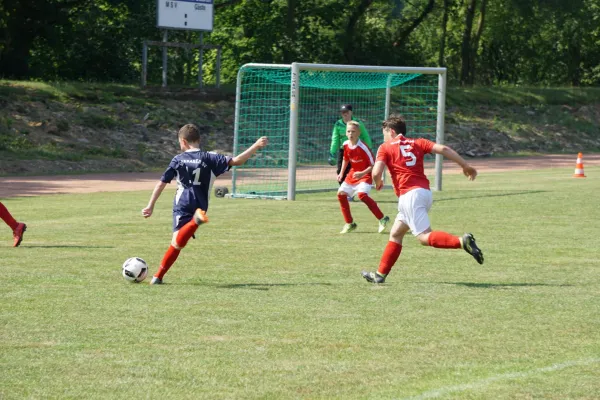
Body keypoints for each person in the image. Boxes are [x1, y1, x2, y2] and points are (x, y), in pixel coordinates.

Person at [362, 115, 484, 284]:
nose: (384, 137)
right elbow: (444, 149)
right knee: (396, 233)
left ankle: (462, 241)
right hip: (424, 193)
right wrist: (465, 165)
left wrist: (378, 182)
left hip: (409, 196)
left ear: (391, 131)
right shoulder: (418, 142)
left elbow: (376, 172)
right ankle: (379, 275)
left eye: (384, 133)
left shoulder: (385, 147)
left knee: (423, 237)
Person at [142, 124, 268, 284]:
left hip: (183, 204)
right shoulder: (210, 157)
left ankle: (159, 275)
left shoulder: (178, 159)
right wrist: (256, 145)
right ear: (199, 140)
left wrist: (150, 205)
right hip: (200, 205)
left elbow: (162, 183)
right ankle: (157, 277)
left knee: (176, 242)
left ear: (183, 141)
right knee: (179, 243)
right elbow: (237, 160)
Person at [337, 121, 389, 234]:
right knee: (341, 194)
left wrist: (361, 173)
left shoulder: (363, 147)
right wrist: (341, 173)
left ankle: (382, 218)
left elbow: (373, 165)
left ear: (359, 133)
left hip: (365, 175)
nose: (351, 134)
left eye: (353, 131)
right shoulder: (345, 144)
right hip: (352, 174)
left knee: (362, 195)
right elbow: (346, 159)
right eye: (348, 131)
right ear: (346, 133)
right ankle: (349, 223)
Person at [328, 104, 372, 186]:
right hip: (344, 150)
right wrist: (332, 153)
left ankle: (356, 188)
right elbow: (335, 139)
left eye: (347, 112)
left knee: (355, 170)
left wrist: (368, 148)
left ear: (351, 112)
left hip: (357, 149)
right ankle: (345, 190)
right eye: (343, 112)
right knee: (341, 170)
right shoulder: (338, 124)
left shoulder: (358, 123)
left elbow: (365, 135)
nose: (345, 114)